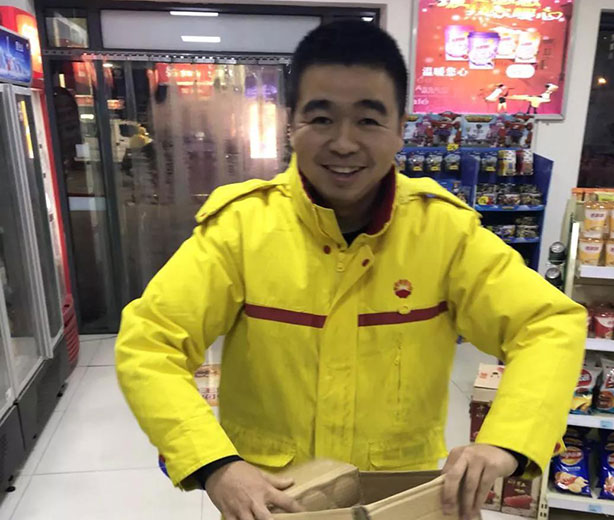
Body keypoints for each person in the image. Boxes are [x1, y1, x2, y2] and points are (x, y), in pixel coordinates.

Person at [115, 20, 585, 520]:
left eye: (368, 120)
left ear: (400, 128)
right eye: (321, 118)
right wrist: (215, 464)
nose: (343, 143)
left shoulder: (444, 233)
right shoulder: (242, 229)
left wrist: (508, 441)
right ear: (291, 123)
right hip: (272, 501)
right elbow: (151, 343)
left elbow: (548, 325)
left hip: (396, 501)